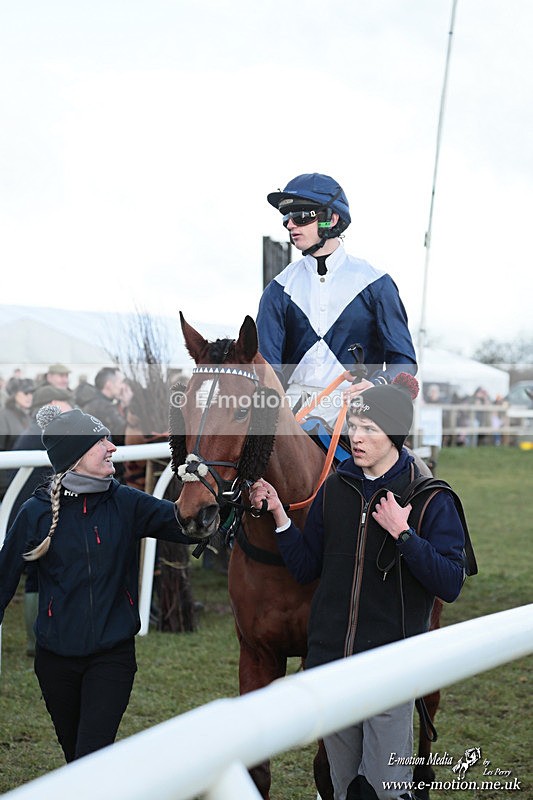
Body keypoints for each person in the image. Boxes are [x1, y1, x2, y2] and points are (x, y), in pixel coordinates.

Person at [249, 375, 467, 800]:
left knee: (387, 792)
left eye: (369, 428)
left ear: (395, 434)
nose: (356, 436)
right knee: (344, 786)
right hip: (332, 667)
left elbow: (450, 582)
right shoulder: (335, 489)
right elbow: (306, 567)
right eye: (354, 426)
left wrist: (404, 535)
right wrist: (279, 515)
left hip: (391, 668)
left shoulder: (430, 498)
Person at [0, 405, 203, 763]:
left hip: (112, 657)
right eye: (101, 441)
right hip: (54, 662)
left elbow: (184, 526)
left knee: (92, 758)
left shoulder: (125, 502)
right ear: (75, 456)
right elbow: (3, 578)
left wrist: (206, 493)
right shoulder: (35, 512)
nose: (113, 447)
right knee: (76, 761)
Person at [257, 173, 417, 427]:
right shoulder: (277, 289)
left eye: (300, 216)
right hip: (292, 414)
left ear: (331, 219)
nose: (290, 225)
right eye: (287, 217)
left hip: (360, 410)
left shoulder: (376, 283)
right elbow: (267, 367)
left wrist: (376, 385)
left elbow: (404, 361)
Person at [6, 385, 75, 657]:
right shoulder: (50, 431)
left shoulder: (33, 428)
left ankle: (37, 641)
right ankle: (37, 642)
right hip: (36, 514)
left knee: (36, 577)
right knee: (37, 577)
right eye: (65, 402)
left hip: (27, 511)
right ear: (53, 404)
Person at [0, 377, 35, 499]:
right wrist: (4, 487)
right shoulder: (3, 416)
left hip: (23, 481)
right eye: (26, 393)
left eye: (31, 393)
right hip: (8, 485)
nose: (29, 396)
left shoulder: (28, 416)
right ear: (14, 394)